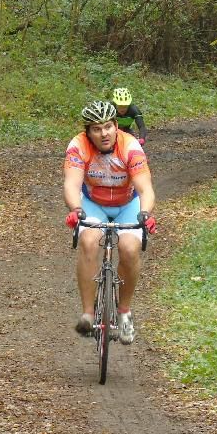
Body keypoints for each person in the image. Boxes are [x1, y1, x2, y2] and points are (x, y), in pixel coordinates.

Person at [63, 100, 157, 345]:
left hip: (127, 204)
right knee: (88, 240)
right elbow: (72, 184)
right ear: (88, 132)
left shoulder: (131, 147)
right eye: (96, 129)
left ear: (116, 126)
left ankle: (124, 313)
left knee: (128, 248)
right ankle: (88, 314)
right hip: (94, 203)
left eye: (108, 127)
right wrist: (76, 209)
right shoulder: (78, 146)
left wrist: (145, 214)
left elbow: (146, 189)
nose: (103, 133)